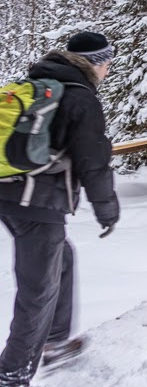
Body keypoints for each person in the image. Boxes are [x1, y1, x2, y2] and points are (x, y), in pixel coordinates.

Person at [0, 32, 120, 386]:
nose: (109, 71)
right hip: (37, 201)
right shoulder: (80, 97)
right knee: (39, 288)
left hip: (9, 194)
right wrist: (107, 210)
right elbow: (93, 161)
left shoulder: (38, 82)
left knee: (60, 259)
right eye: (108, 63)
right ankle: (14, 372)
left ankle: (54, 341)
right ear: (96, 63)